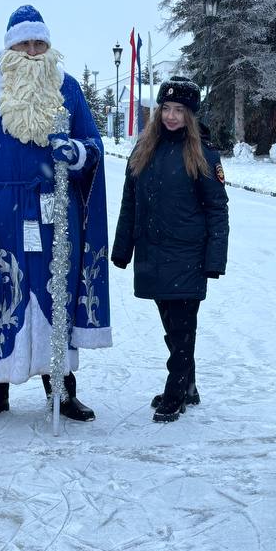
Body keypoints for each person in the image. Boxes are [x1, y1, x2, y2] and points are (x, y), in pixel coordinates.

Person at [0, 5, 111, 424]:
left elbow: (93, 144)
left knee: (57, 292)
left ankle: (63, 389)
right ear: (9, 46)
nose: (33, 52)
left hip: (55, 212)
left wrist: (79, 153)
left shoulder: (66, 88)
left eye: (40, 44)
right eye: (24, 44)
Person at [112, 79, 229, 422]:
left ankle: (175, 390)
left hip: (187, 255)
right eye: (166, 109)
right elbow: (129, 202)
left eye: (180, 110)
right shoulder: (143, 150)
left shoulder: (203, 154)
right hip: (152, 251)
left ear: (191, 115)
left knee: (182, 328)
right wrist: (123, 249)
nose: (172, 116)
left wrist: (214, 258)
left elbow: (217, 208)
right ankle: (188, 383)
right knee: (171, 325)